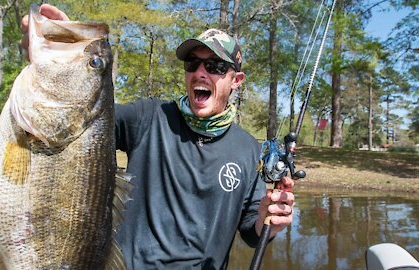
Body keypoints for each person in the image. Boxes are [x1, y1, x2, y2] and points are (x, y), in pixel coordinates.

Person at [21, 4, 295, 269]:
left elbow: (251, 231)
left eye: (215, 66)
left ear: (236, 80)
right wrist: (66, 57)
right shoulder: (150, 116)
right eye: (193, 63)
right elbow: (80, 118)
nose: (201, 72)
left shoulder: (247, 147)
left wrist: (269, 221)